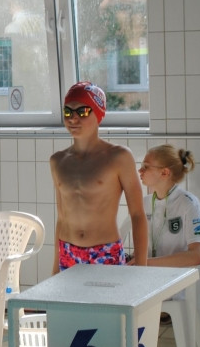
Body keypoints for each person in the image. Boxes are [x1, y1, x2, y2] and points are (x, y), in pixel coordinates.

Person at [49, 81, 147, 273]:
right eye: (68, 112)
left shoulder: (118, 157)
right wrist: (55, 268)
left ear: (99, 114)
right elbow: (62, 217)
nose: (73, 118)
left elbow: (137, 215)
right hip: (68, 253)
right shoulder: (58, 161)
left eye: (82, 111)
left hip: (105, 253)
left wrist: (141, 270)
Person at [138, 144, 200, 267]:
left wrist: (146, 263)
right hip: (148, 275)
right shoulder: (145, 203)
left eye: (146, 167)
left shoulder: (189, 203)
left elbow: (196, 256)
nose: (140, 170)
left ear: (164, 173)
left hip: (176, 279)